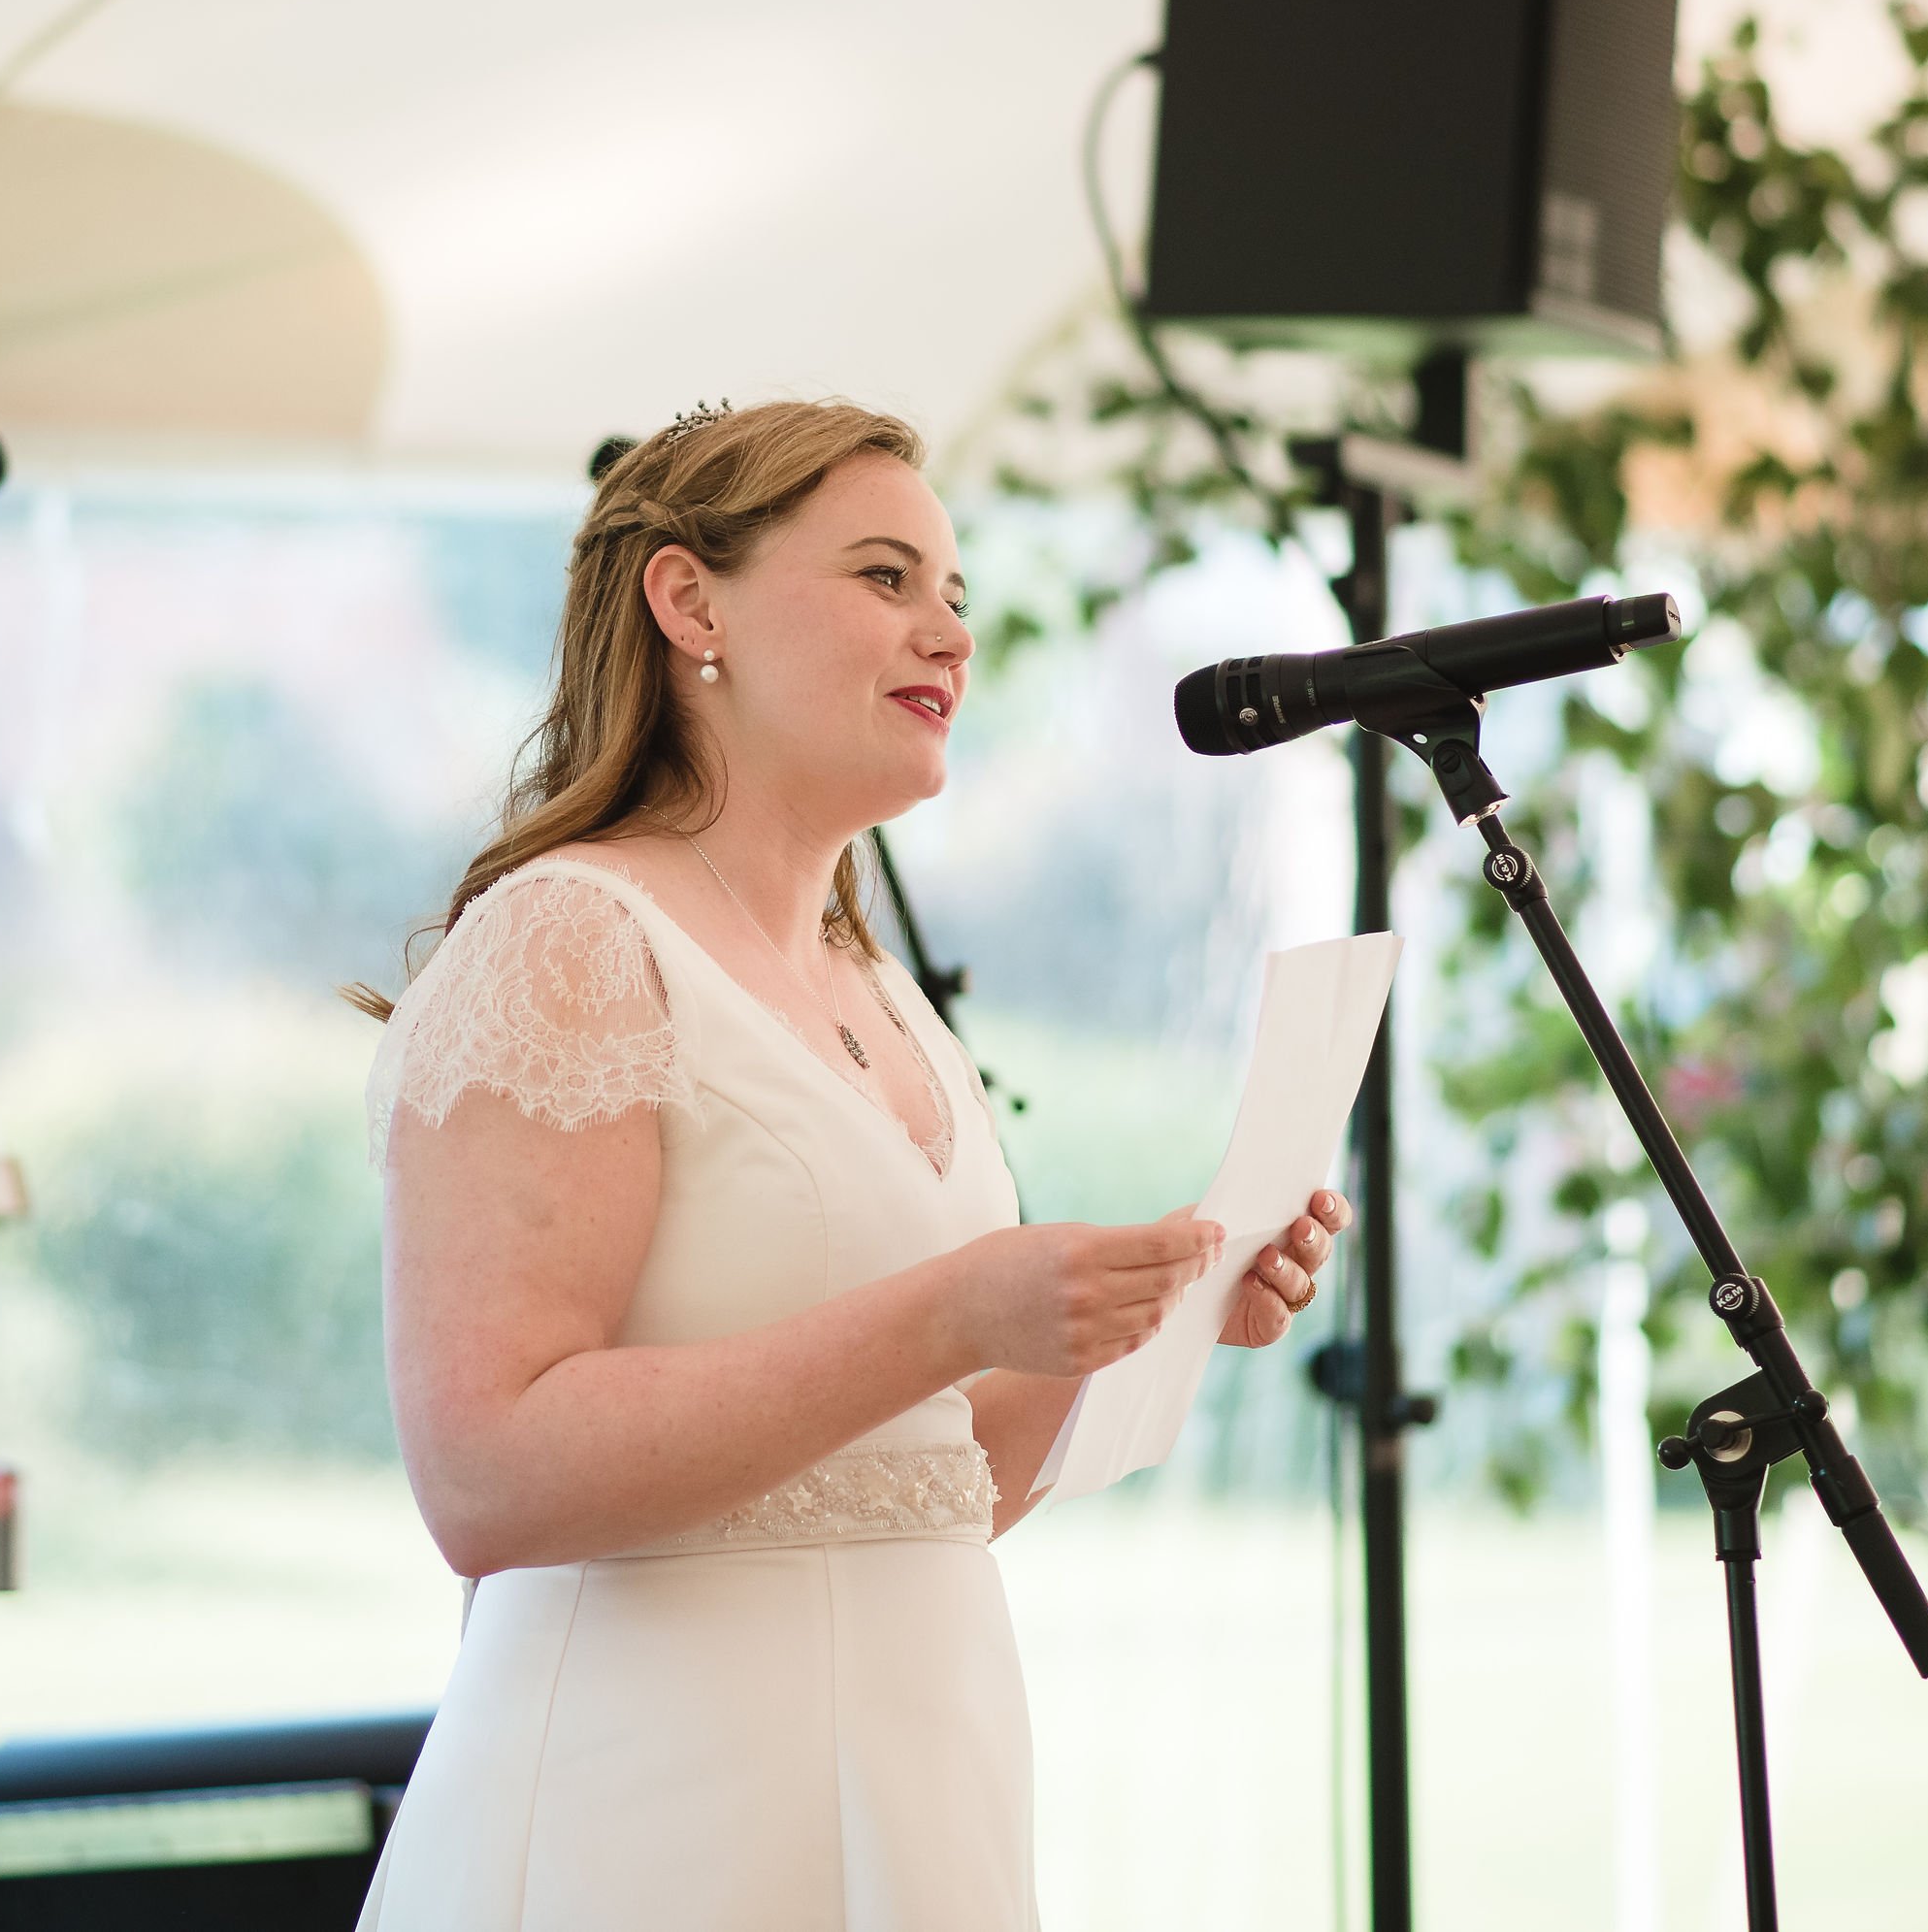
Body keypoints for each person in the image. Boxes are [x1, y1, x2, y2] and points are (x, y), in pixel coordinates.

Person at [350, 399, 1348, 1931]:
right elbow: (487, 1473)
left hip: (920, 1797)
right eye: (885, 579)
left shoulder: (874, 987)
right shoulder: (572, 939)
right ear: (691, 604)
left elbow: (926, 1476)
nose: (947, 634)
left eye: (957, 594)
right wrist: (956, 1310)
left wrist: (1158, 1315)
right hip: (661, 1822)